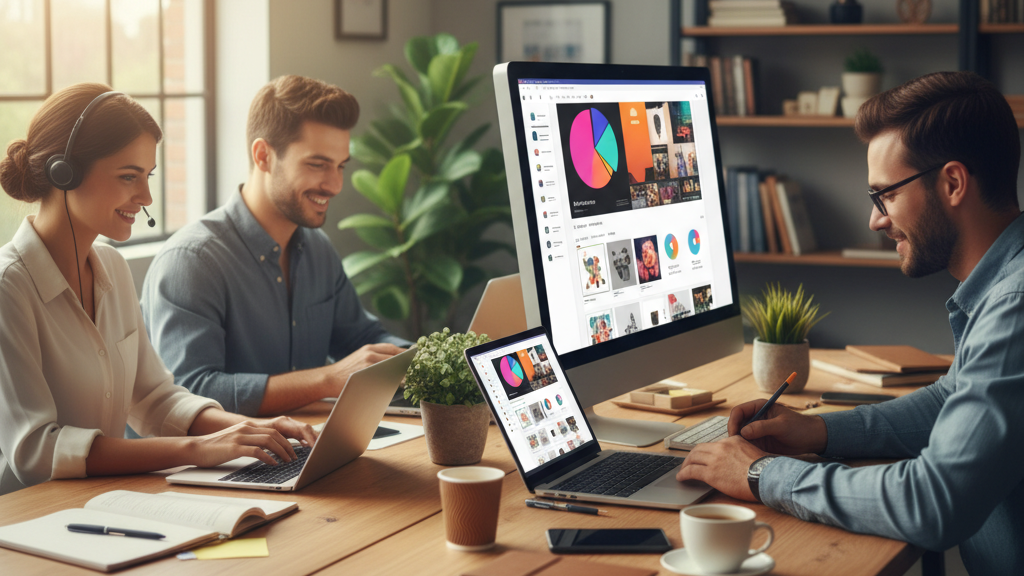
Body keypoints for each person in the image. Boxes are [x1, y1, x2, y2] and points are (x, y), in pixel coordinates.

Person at [676, 71, 1023, 575]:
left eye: (886, 195)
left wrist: (761, 474)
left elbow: (933, 502)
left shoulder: (1013, 304)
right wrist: (817, 431)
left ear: (952, 183)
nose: (875, 220)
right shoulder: (1003, 281)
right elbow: (953, 399)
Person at [0, 84, 317, 496]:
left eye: (147, 176)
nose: (146, 197)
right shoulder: (10, 287)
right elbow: (36, 450)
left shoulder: (109, 265)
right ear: (66, 171)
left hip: (103, 502)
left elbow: (154, 399)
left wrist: (249, 429)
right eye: (129, 177)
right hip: (27, 519)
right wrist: (197, 449)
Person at [141, 76, 405, 417]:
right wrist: (327, 379)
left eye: (340, 166)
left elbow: (361, 338)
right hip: (205, 466)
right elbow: (191, 392)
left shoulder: (316, 249)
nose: (335, 185)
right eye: (317, 164)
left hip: (302, 447)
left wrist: (442, 356)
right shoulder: (192, 262)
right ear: (263, 156)